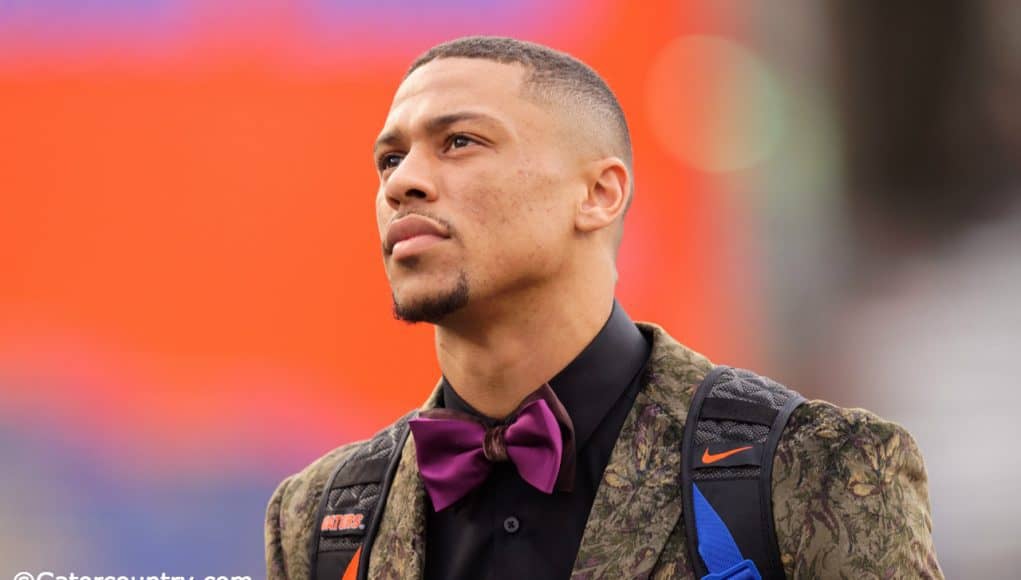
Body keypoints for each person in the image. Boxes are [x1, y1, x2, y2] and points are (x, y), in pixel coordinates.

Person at [264, 36, 942, 579]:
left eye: (459, 142)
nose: (403, 182)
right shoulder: (319, 519)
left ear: (598, 194)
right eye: (389, 160)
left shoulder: (813, 469)